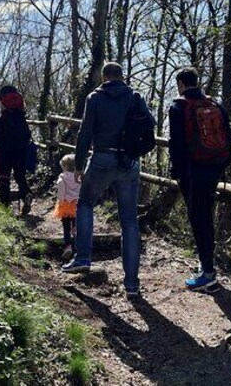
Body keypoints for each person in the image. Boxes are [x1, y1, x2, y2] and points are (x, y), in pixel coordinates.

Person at [62, 62, 154, 300]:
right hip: (129, 162)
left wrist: (79, 165)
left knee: (85, 204)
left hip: (102, 156)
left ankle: (82, 257)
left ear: (103, 77)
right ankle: (132, 285)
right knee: (129, 222)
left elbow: (85, 133)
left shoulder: (95, 97)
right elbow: (149, 125)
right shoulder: (135, 96)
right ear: (122, 77)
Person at [168, 67, 231, 292]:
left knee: (199, 219)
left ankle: (208, 274)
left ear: (181, 84)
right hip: (213, 168)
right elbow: (229, 140)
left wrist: (177, 172)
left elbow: (175, 145)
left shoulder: (178, 106)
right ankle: (206, 266)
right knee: (206, 216)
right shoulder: (215, 105)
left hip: (192, 171)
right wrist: (220, 165)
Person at [0, 85, 32, 213]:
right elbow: (27, 135)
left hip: (3, 151)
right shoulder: (21, 116)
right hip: (21, 151)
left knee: (4, 176)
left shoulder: (1, 118)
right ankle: (26, 194)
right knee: (20, 176)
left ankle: (5, 203)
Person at [54, 154, 80, 261]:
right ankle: (77, 244)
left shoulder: (62, 178)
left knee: (66, 226)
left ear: (64, 166)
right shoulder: (78, 177)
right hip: (76, 204)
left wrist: (60, 202)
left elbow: (61, 192)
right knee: (76, 225)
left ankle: (68, 246)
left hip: (65, 205)